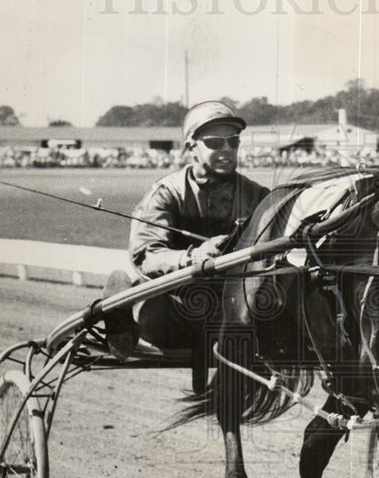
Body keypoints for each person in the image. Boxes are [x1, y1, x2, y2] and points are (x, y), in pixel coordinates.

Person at [103, 100, 269, 389]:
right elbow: (146, 256)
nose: (227, 150)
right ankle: (120, 307)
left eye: (233, 142)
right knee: (159, 320)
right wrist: (192, 258)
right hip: (172, 307)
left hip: (229, 308)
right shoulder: (166, 194)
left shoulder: (257, 195)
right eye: (215, 142)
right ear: (191, 147)